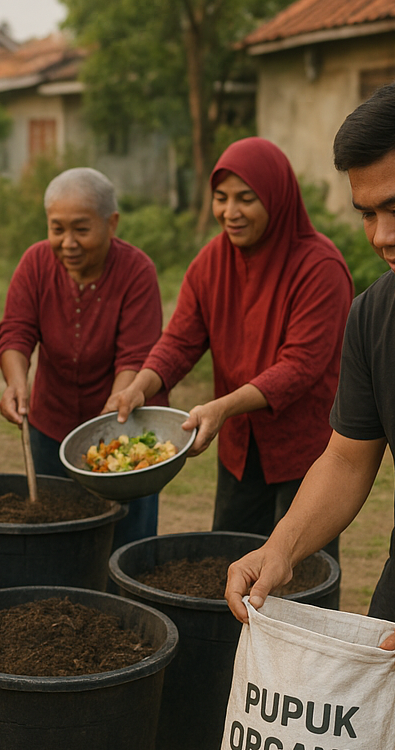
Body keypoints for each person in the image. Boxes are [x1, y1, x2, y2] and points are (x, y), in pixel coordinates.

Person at [221, 81, 395, 750]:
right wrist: (281, 548)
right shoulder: (376, 315)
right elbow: (349, 457)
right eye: (368, 213)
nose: (383, 235)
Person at [109, 138, 353, 548]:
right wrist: (140, 386)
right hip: (241, 446)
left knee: (303, 566)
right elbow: (179, 341)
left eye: (246, 199)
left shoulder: (320, 267)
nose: (230, 212)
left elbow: (300, 367)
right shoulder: (211, 262)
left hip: (306, 450)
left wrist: (222, 406)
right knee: (230, 556)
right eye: (221, 198)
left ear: (276, 197)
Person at [0, 167, 166, 545]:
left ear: (112, 223)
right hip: (50, 425)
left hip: (122, 427)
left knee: (126, 538)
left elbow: (135, 355)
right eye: (57, 229)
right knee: (56, 535)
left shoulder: (137, 271)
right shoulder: (35, 263)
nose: (68, 243)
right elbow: (16, 331)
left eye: (81, 229)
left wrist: (111, 418)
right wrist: (16, 383)